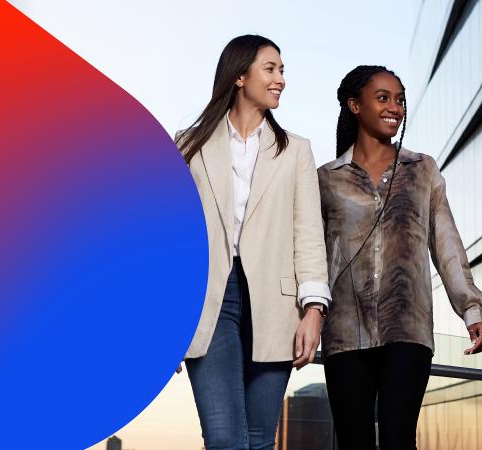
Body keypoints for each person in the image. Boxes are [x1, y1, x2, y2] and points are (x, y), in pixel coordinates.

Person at [316, 65, 482, 450]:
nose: (395, 107)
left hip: (408, 330)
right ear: (354, 105)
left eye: (400, 99)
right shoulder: (326, 178)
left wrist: (471, 309)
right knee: (353, 442)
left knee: (398, 439)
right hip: (345, 332)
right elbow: (311, 257)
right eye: (383, 98)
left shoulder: (422, 168)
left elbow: (446, 242)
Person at [174, 34, 330, 450]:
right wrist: (166, 323)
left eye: (282, 71)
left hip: (278, 304)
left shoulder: (296, 151)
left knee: (260, 439)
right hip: (210, 299)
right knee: (226, 437)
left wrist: (313, 310)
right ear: (240, 76)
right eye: (271, 69)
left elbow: (308, 234)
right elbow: (174, 240)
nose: (280, 79)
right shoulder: (188, 145)